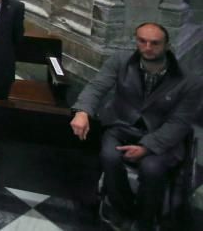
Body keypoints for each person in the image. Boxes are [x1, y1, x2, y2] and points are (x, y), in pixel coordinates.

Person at [70, 22, 202, 231]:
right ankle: (122, 211)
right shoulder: (121, 61)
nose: (147, 47)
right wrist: (82, 111)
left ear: (167, 45)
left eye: (155, 43)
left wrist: (147, 147)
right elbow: (98, 85)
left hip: (161, 133)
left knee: (152, 168)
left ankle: (145, 218)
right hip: (121, 125)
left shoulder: (189, 80)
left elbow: (180, 121)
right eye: (142, 41)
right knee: (109, 157)